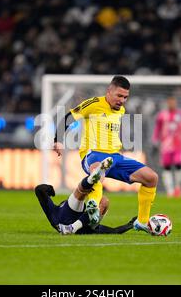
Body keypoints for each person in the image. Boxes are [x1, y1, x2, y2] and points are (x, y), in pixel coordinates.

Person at [53, 76, 159, 234]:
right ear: (109, 91)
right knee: (98, 170)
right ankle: (93, 207)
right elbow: (68, 117)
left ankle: (142, 222)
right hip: (93, 155)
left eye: (125, 97)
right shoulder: (94, 104)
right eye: (119, 96)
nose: (122, 100)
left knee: (151, 178)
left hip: (116, 156)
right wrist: (58, 140)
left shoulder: (120, 110)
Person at [35, 157, 136, 235]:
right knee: (102, 201)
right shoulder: (87, 227)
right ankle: (90, 181)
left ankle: (90, 180)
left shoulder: (55, 213)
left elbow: (39, 190)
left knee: (84, 194)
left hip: (67, 223)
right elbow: (114, 231)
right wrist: (130, 224)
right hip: (80, 224)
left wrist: (50, 190)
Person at [152, 96, 181, 198]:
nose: (171, 104)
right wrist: (154, 142)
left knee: (179, 165)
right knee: (166, 167)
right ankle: (170, 190)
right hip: (165, 146)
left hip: (178, 146)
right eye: (170, 102)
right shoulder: (162, 115)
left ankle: (177, 187)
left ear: (176, 103)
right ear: (167, 103)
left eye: (173, 102)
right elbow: (157, 129)